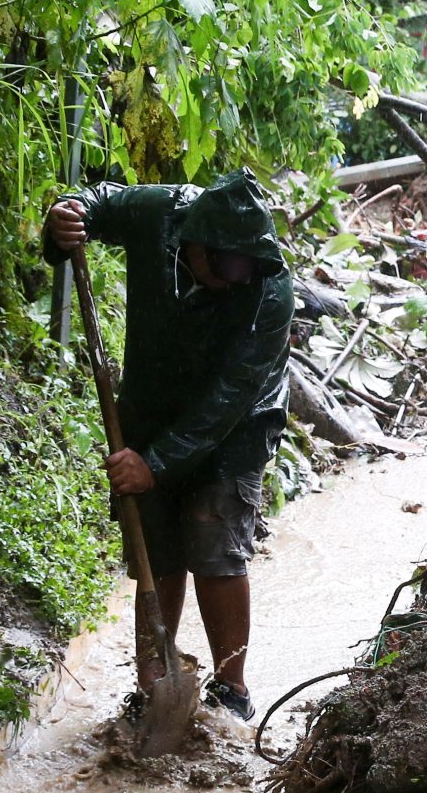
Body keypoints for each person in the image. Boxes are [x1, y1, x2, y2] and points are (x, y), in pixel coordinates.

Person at [42, 172, 293, 721]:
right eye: (226, 266)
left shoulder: (269, 291)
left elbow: (230, 396)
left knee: (216, 544)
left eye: (247, 268)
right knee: (156, 552)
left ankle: (231, 688)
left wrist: (154, 464)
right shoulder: (159, 213)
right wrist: (68, 212)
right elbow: (97, 202)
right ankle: (155, 687)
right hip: (151, 408)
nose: (236, 280)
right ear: (194, 243)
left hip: (237, 424)